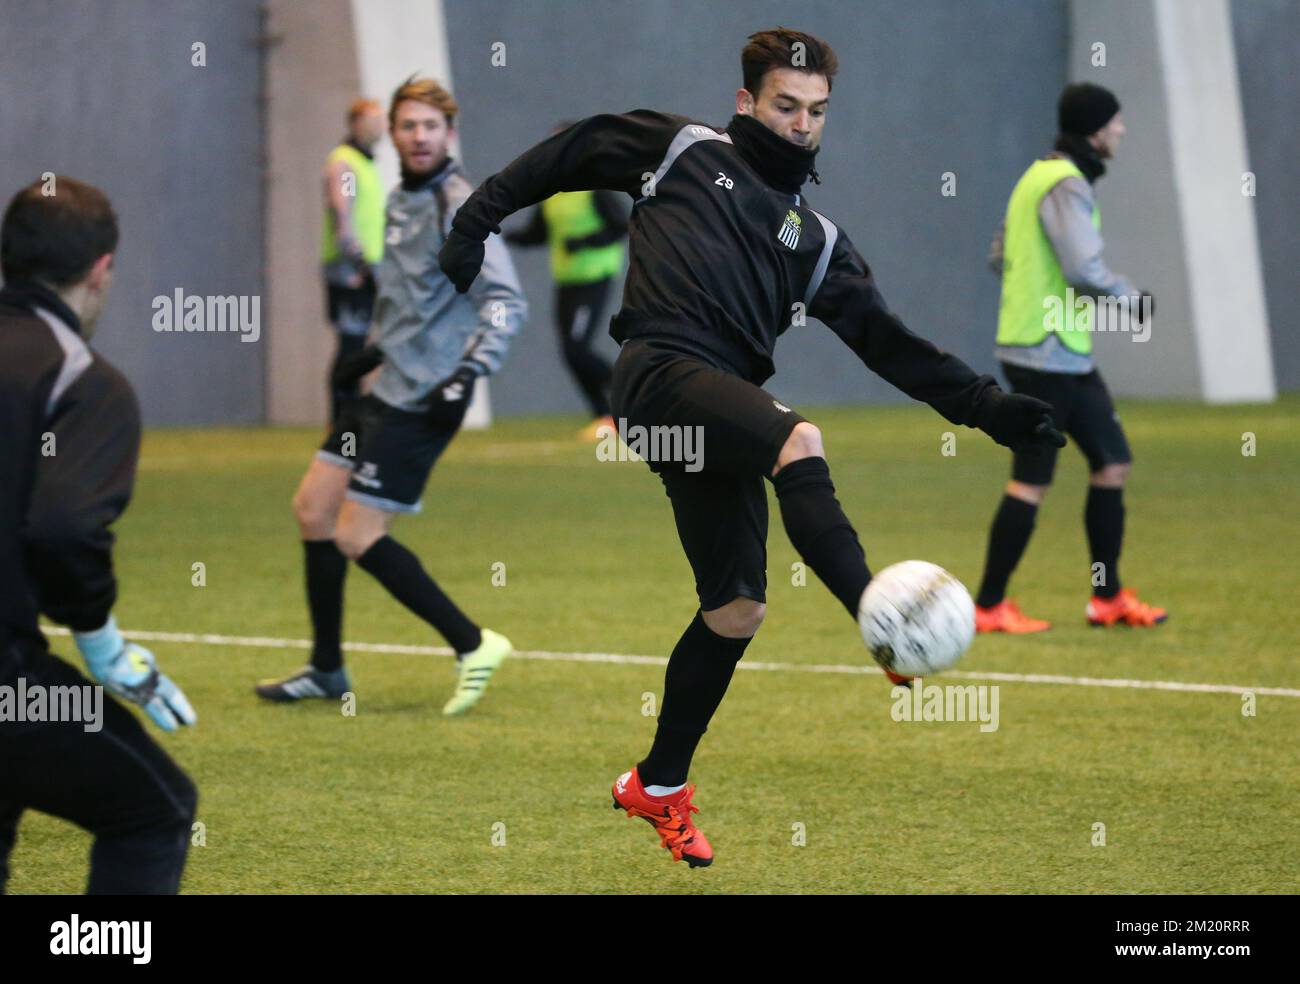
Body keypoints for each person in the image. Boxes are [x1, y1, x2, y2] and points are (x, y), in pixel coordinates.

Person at [438, 29, 1064, 866]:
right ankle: (878, 619)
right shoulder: (683, 147)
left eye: (816, 112)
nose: (802, 124)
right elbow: (571, 152)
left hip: (717, 406)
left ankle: (656, 784)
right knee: (798, 437)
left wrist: (993, 410)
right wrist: (475, 221)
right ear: (747, 102)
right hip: (658, 370)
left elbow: (891, 345)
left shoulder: (817, 241)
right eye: (785, 106)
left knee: (736, 610)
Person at [256, 77, 527, 715]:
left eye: (431, 125)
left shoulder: (462, 205)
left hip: (428, 396)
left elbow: (506, 302)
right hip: (385, 386)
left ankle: (473, 643)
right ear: (393, 133)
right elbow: (412, 294)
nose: (419, 136)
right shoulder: (404, 197)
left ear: (449, 134)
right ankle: (327, 668)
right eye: (408, 125)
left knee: (356, 532)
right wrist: (376, 350)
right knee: (312, 508)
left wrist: (469, 371)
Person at [0, 176, 198, 894]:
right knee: (152, 810)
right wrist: (103, 646)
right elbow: (62, 527)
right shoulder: (85, 380)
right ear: (101, 268)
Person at [974, 82, 1166, 633]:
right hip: (1045, 350)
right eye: (1116, 122)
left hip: (1062, 351)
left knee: (1112, 461)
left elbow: (999, 256)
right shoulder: (1066, 182)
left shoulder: (1038, 175)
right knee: (1031, 479)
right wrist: (1131, 301)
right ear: (1095, 129)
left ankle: (1105, 598)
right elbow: (1083, 268)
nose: (1122, 131)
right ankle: (988, 606)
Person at [505, 124, 628, 439]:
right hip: (567, 280)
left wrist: (584, 242)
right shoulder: (552, 192)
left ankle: (630, 392)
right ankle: (605, 415)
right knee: (569, 351)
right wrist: (504, 236)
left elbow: (620, 226)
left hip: (594, 277)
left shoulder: (595, 188)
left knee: (577, 347)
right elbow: (539, 233)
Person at [321, 98, 387, 422]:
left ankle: (352, 417)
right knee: (351, 345)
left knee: (360, 346)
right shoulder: (344, 162)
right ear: (355, 123)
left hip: (367, 266)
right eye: (373, 120)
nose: (380, 127)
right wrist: (358, 262)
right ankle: (342, 421)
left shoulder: (367, 163)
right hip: (351, 271)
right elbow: (341, 214)